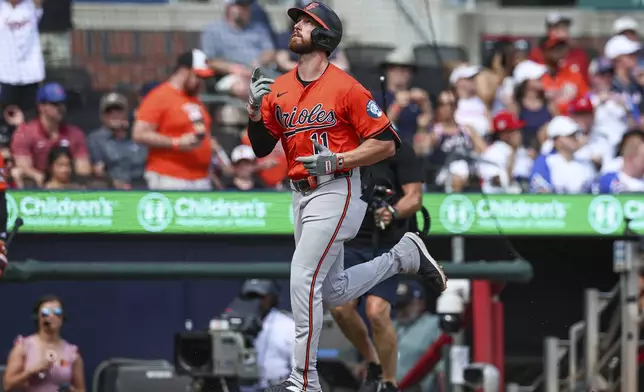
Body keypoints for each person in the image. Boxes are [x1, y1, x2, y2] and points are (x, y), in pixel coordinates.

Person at [245, 3, 447, 391]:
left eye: (306, 22)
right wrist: (254, 110)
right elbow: (260, 146)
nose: (297, 27)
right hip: (300, 193)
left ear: (325, 36)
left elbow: (386, 144)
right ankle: (403, 256)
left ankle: (304, 380)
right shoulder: (282, 86)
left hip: (338, 188)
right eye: (297, 22)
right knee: (332, 291)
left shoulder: (347, 87)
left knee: (302, 278)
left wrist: (338, 160)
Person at [330, 140, 423, 392]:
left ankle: (390, 382)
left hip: (388, 241)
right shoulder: (342, 143)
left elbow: (414, 197)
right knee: (340, 308)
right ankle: (373, 363)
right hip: (350, 240)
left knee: (377, 312)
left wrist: (391, 212)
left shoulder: (400, 148)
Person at [132, 49, 213, 190]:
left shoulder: (195, 99)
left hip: (200, 177)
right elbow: (139, 134)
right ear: (183, 71)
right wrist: (175, 142)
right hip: (170, 177)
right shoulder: (160, 96)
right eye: (197, 76)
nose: (201, 82)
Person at [11, 82, 91, 187]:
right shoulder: (25, 133)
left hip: (69, 186)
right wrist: (47, 182)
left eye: (63, 103)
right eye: (55, 104)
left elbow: (84, 170)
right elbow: (23, 166)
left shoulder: (75, 133)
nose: (61, 108)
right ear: (41, 106)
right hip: (38, 186)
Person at [2, 294, 86, 392]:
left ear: (63, 318)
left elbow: (81, 389)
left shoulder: (72, 353)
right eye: (45, 313)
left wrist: (70, 390)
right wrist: (30, 372)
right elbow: (7, 385)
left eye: (57, 312)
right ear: (38, 317)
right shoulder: (24, 347)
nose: (51, 316)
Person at [239, 279, 295, 390]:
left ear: (273, 298)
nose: (255, 301)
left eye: (261, 297)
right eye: (251, 296)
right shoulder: (235, 324)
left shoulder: (288, 326)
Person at [88, 92, 147, 190]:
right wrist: (116, 183)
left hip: (143, 186)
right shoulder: (96, 139)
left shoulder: (137, 135)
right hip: (112, 189)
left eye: (119, 110)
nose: (114, 114)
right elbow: (98, 170)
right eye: (109, 111)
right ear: (102, 116)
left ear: (126, 112)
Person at [0, 0, 45, 115]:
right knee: (8, 116)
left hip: (30, 74)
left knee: (30, 116)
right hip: (6, 74)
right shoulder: (2, 7)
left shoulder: (31, 6)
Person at [530, 116, 595, 194]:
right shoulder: (545, 162)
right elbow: (541, 194)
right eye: (569, 135)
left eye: (575, 134)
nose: (574, 138)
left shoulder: (585, 163)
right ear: (556, 141)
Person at [479, 111, 533, 194]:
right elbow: (498, 181)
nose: (519, 134)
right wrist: (510, 162)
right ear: (504, 135)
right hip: (495, 200)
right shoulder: (494, 152)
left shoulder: (520, 150)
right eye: (515, 131)